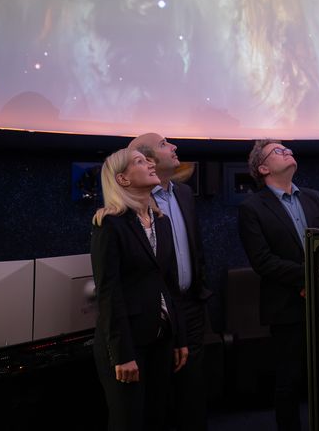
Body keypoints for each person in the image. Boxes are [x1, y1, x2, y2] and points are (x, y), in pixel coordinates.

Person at [238, 139, 319, 431]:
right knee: (289, 381)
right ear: (263, 168)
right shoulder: (251, 207)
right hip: (285, 305)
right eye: (279, 151)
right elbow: (262, 261)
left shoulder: (315, 197)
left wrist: (316, 280)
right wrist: (306, 278)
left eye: (288, 149)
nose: (288, 152)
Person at [91, 148, 188, 431]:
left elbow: (169, 285)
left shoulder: (161, 221)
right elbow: (109, 293)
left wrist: (179, 337)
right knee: (128, 422)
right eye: (140, 161)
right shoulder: (109, 224)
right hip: (127, 344)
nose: (150, 164)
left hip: (161, 338)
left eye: (148, 160)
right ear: (122, 179)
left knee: (157, 418)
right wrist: (122, 354)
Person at [129, 133, 213, 431]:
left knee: (193, 391)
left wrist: (200, 288)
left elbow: (196, 247)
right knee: (159, 395)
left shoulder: (185, 193)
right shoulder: (134, 200)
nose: (175, 147)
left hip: (191, 306)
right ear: (148, 159)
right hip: (159, 311)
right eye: (165, 144)